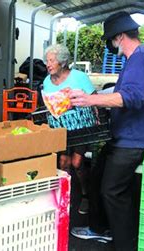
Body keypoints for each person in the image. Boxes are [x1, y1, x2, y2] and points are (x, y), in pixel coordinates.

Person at [69, 11, 144, 250]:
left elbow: (133, 97)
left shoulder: (141, 58)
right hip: (124, 136)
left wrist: (90, 101)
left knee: (113, 191)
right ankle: (98, 228)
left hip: (135, 139)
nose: (112, 45)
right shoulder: (136, 60)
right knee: (98, 176)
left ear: (120, 36)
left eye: (112, 40)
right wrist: (99, 99)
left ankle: (126, 243)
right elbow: (122, 94)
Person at [42, 44, 96, 229]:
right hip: (60, 129)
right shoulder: (47, 81)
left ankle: (86, 195)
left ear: (63, 62)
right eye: (47, 60)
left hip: (80, 126)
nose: (48, 64)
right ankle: (64, 198)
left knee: (77, 164)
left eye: (51, 60)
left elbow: (94, 98)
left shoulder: (79, 77)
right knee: (63, 164)